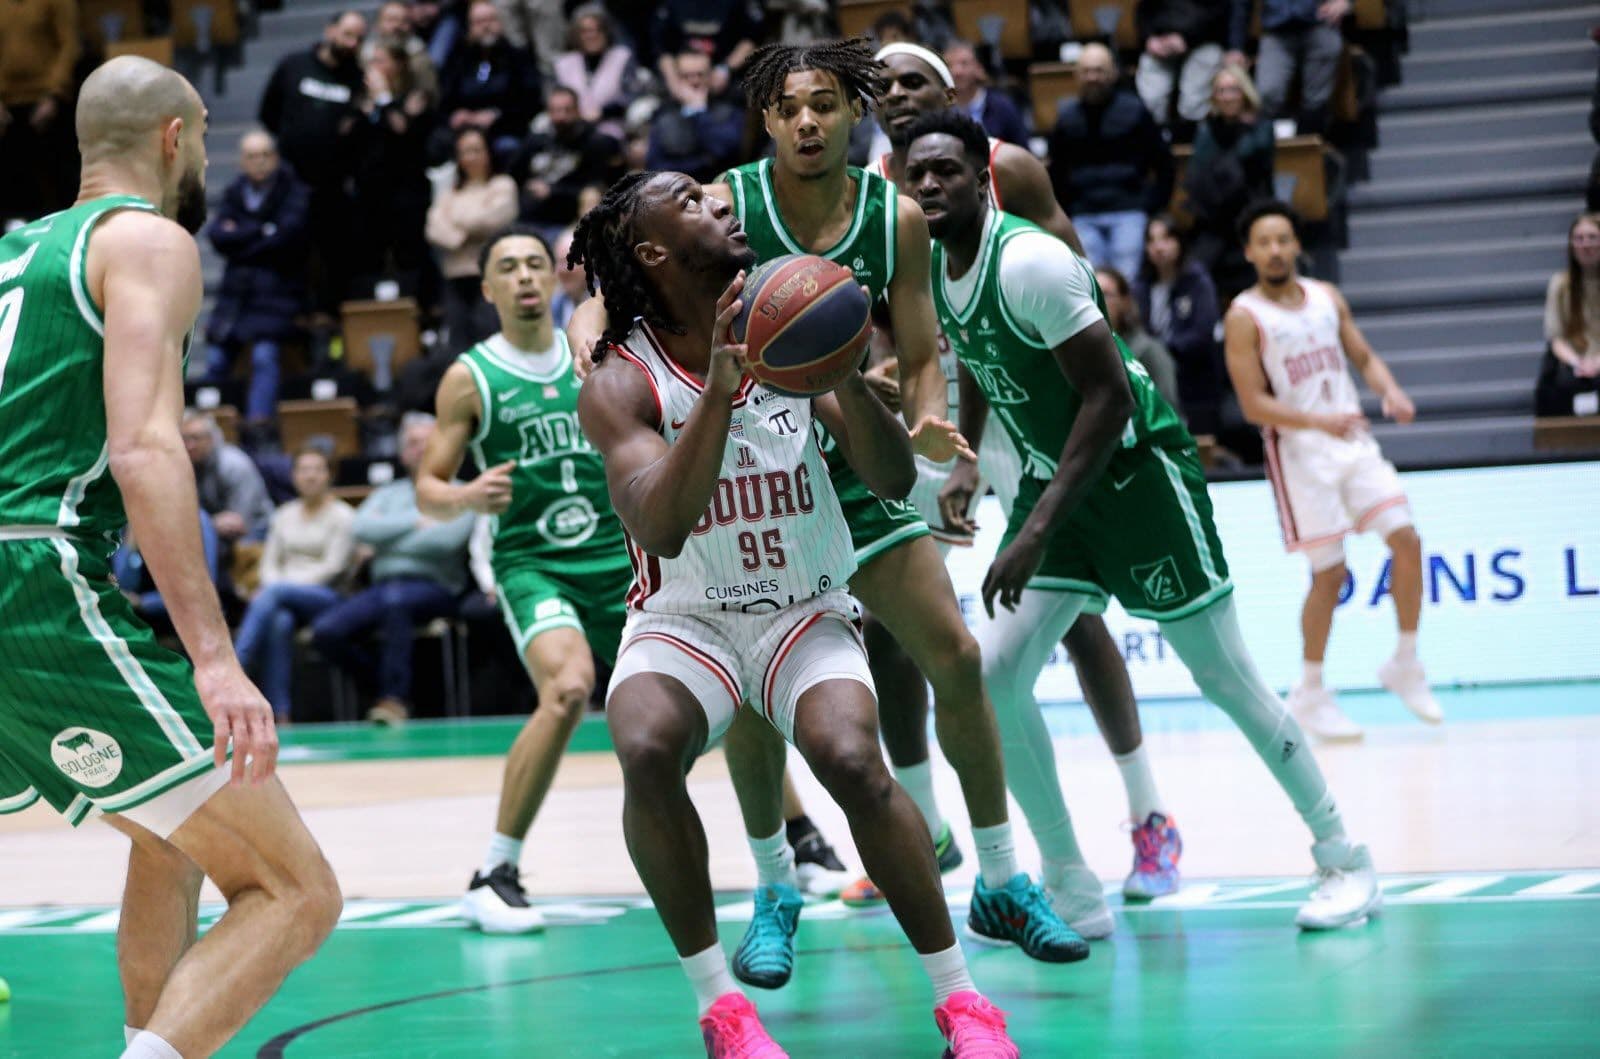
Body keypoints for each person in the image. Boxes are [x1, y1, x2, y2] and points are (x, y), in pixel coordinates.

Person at [568, 36, 1085, 978]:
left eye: (826, 105)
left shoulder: (894, 215)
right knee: (755, 683)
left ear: (856, 115)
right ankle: (774, 885)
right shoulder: (725, 201)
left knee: (954, 654)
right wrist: (586, 329)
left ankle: (1003, 874)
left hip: (845, 420)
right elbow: (617, 287)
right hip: (746, 449)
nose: (808, 120)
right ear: (767, 121)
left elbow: (923, 350)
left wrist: (929, 427)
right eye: (789, 106)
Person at [571, 168, 1023, 1059]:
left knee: (853, 759)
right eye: (692, 202)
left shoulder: (789, 322)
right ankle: (724, 1013)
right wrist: (722, 384)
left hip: (800, 608)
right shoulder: (620, 383)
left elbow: (894, 483)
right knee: (644, 746)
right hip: (684, 619)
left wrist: (845, 376)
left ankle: (965, 1004)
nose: (719, 204)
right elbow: (660, 520)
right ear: (654, 251)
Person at [909, 111, 1380, 933]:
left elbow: (1110, 396)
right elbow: (976, 356)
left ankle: (1345, 855)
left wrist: (1031, 530)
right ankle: (1070, 882)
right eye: (916, 175)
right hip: (1057, 485)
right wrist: (970, 460)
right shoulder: (937, 267)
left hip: (1136, 477)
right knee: (996, 674)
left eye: (948, 170)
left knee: (1225, 678)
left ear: (985, 179)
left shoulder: (1031, 261)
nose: (929, 186)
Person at [0, 56, 340, 1059]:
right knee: (295, 890)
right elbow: (147, 446)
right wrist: (216, 656)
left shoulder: (13, 253)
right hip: (33, 573)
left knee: (168, 834)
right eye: (204, 136)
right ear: (172, 137)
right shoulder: (150, 241)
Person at [863, 41, 1183, 905]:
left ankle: (1149, 815)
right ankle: (925, 830)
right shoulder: (873, 187)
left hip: (1027, 416)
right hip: (930, 417)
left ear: (953, 90)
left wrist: (999, 410)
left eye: (913, 81)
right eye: (882, 85)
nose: (894, 95)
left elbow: (1079, 287)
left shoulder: (1011, 171)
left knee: (1074, 618)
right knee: (886, 621)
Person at [415, 224, 633, 932]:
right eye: (507, 268)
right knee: (568, 688)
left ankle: (798, 839)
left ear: (557, 276)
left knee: (717, 689)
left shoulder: (597, 357)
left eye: (536, 264)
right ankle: (494, 871)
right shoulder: (470, 377)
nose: (525, 277)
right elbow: (427, 487)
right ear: (487, 289)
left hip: (625, 558)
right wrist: (464, 496)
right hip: (535, 564)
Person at [1225, 200, 1440, 740]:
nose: (1275, 250)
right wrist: (1317, 421)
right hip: (1300, 454)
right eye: (1264, 242)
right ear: (1249, 252)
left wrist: (1390, 389)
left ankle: (1405, 662)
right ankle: (1311, 691)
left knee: (1407, 540)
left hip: (1353, 443)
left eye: (1283, 239)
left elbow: (1363, 357)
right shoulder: (1244, 316)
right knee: (1330, 575)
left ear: (1296, 245)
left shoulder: (1326, 298)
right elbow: (1252, 405)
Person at [312, 413, 476, 724]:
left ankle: (394, 700)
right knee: (326, 631)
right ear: (402, 453)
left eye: (428, 441)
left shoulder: (461, 491)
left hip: (437, 587)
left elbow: (445, 541)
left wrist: (386, 538)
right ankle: (383, 687)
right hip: (382, 587)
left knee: (396, 602)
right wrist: (418, 522)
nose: (421, 448)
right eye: (413, 443)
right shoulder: (388, 493)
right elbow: (360, 529)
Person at [234, 445, 357, 722]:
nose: (310, 476)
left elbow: (334, 566)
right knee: (280, 622)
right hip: (280, 598)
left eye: (317, 470)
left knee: (274, 596)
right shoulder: (284, 514)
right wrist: (276, 588)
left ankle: (237, 664)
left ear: (329, 475)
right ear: (294, 476)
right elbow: (270, 562)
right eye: (303, 470)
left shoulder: (343, 515)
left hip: (328, 596)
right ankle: (280, 712)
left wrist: (281, 588)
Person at [258, 10, 367, 314]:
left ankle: (327, 326)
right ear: (330, 30)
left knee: (332, 262)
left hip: (332, 187)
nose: (352, 43)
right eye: (347, 34)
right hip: (291, 181)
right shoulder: (294, 65)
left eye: (359, 38)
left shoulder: (357, 78)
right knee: (289, 256)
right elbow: (268, 112)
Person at [201, 130, 312, 425]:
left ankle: (257, 424)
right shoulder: (235, 192)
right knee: (214, 359)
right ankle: (209, 426)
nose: (259, 162)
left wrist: (240, 235)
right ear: (241, 162)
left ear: (275, 157)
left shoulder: (294, 191)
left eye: (265, 155)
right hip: (235, 298)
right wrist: (262, 229)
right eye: (252, 156)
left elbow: (286, 237)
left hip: (278, 294)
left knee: (264, 357)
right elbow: (217, 236)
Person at [1047, 43, 1174, 280]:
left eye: (1099, 70)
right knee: (1093, 285)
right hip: (1083, 214)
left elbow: (1163, 162)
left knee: (1128, 283)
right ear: (1076, 75)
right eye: (1086, 71)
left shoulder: (1135, 111)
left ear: (1113, 73)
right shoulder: (1066, 119)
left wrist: (1153, 206)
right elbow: (1057, 172)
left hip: (1129, 210)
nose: (1092, 77)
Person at [350, 41, 436, 300]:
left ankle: (421, 316)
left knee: (410, 256)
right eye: (371, 61)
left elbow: (403, 132)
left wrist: (384, 98)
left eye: (381, 60)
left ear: (398, 65)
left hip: (406, 193)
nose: (373, 68)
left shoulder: (415, 97)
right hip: (369, 194)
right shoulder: (360, 100)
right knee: (367, 258)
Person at [1185, 64, 1275, 305]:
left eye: (1233, 90)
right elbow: (1199, 177)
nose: (1227, 97)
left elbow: (1248, 165)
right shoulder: (1206, 131)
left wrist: (1241, 132)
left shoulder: (1261, 127)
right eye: (1221, 91)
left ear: (1244, 92)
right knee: (1194, 271)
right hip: (1215, 220)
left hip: (1250, 216)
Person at [427, 126, 518, 352]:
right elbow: (433, 228)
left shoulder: (502, 185)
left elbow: (494, 219)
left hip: (491, 276)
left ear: (488, 152)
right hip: (455, 278)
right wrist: (466, 235)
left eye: (477, 150)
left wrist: (456, 222)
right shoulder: (450, 193)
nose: (471, 157)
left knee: (491, 340)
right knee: (457, 345)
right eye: (465, 152)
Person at [1135, 214, 1226, 434]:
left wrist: (1163, 351)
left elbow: (1202, 333)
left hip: (1193, 375)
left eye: (1166, 239)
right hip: (1154, 376)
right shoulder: (1141, 286)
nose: (1159, 247)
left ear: (1180, 243)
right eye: (1152, 240)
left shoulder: (1197, 281)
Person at [0, 0, 79, 223]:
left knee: (56, 180)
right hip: (7, 105)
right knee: (13, 185)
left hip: (48, 101)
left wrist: (54, 94)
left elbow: (70, 45)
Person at [435, 0, 542, 162]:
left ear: (501, 23)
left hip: (504, 129)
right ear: (470, 27)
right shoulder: (458, 58)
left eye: (491, 20)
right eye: (479, 22)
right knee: (438, 144)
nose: (486, 26)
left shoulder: (518, 57)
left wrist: (497, 115)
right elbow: (445, 98)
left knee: (508, 148)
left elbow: (530, 101)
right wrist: (456, 114)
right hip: (463, 131)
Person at [509, 85, 624, 234]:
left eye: (567, 110)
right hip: (529, 216)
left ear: (578, 111)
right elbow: (512, 174)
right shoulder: (536, 141)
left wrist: (553, 191)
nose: (561, 117)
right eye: (555, 111)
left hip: (568, 221)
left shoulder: (594, 143)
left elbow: (594, 189)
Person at [1133, 0, 1249, 132]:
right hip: (1160, 42)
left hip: (1203, 40)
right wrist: (1148, 38)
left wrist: (1186, 37)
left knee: (1193, 102)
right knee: (1152, 98)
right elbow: (1143, 10)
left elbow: (1221, 14)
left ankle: (1197, 137)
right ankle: (1155, 137)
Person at [646, 50, 746, 184]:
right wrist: (704, 162)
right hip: (671, 190)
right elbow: (654, 166)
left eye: (700, 75)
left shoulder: (729, 112)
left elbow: (724, 152)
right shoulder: (664, 114)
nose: (694, 81)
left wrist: (699, 112)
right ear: (676, 79)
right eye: (686, 76)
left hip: (716, 189)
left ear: (711, 76)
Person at [1536, 213, 1600, 415]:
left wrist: (1597, 363)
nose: (1585, 245)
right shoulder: (1560, 285)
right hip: (1575, 363)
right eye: (1579, 239)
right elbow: (1557, 338)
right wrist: (1578, 363)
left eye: (1592, 238)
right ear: (1572, 246)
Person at [1256, 0, 1350, 136]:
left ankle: (1311, 144)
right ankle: (1273, 146)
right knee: (1268, 92)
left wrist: (1347, 2)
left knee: (1327, 46)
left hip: (1319, 23)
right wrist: (1236, 47)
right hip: (1277, 30)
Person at [181, 410, 276, 543]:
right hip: (212, 527)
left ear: (212, 438)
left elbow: (239, 521)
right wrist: (210, 523)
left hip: (256, 528)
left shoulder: (234, 464)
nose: (190, 445)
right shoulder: (185, 466)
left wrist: (206, 524)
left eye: (196, 438)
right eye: (185, 439)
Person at [553, 4, 642, 141]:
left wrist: (603, 113)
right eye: (585, 31)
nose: (591, 35)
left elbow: (631, 98)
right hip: (569, 130)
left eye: (596, 30)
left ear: (606, 32)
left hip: (610, 128)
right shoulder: (564, 63)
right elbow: (556, 99)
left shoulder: (622, 57)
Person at [1098, 265, 1180, 411]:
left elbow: (1168, 408)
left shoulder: (1149, 351)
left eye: (1106, 294)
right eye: (1092, 294)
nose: (1098, 301)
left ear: (1125, 302)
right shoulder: (1079, 350)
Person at [942, 39, 1026, 146]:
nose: (957, 72)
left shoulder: (1002, 107)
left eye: (964, 63)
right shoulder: (940, 109)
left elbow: (1022, 151)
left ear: (980, 69)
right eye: (949, 65)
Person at [362, 0, 440, 106]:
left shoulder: (420, 61)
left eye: (404, 21)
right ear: (378, 24)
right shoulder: (363, 55)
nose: (397, 26)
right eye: (391, 20)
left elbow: (427, 101)